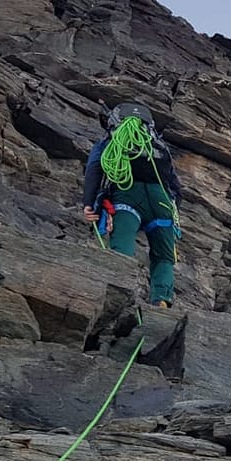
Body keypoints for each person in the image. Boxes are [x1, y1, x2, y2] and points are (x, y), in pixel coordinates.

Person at [82, 102, 182, 307]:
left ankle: (119, 291)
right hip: (161, 200)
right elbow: (175, 186)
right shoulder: (158, 147)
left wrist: (89, 203)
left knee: (123, 243)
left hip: (127, 195)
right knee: (164, 256)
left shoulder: (110, 143)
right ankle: (161, 299)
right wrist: (173, 211)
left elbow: (94, 169)